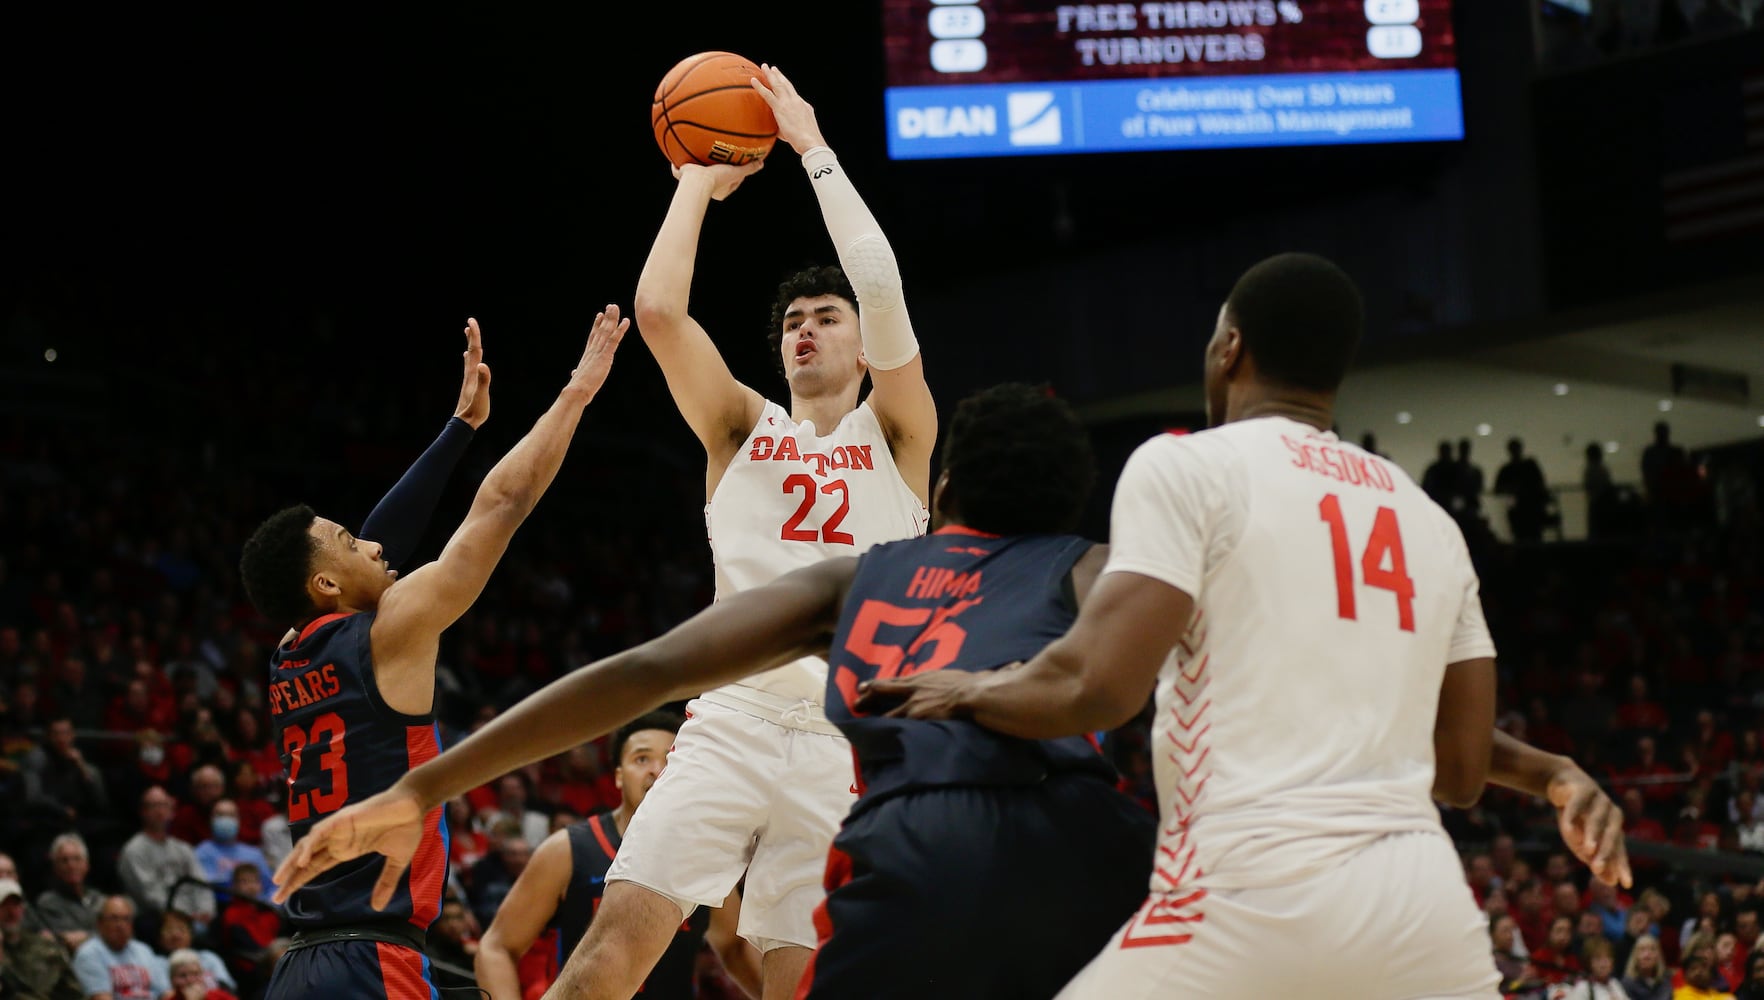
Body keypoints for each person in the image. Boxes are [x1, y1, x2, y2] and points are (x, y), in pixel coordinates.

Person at [866, 253, 1634, 998]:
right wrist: (1550, 772)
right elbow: (1461, 771)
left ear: (1229, 347)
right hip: (1422, 912)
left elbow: (1095, 686)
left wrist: (966, 690)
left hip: (1249, 891)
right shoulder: (1428, 519)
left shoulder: (1190, 466)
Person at [606, 63, 937, 998]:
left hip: (844, 743)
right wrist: (694, 183)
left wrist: (813, 150)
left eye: (827, 319)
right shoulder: (742, 426)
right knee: (608, 959)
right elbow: (661, 313)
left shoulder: (900, 433)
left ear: (861, 343)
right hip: (732, 720)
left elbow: (882, 285)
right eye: (792, 320)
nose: (806, 330)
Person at [238, 311, 626, 1000]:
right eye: (349, 541)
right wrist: (577, 392)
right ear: (326, 584)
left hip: (298, 968)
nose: (374, 544)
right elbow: (503, 501)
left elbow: (375, 553)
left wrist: (460, 429)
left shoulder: (289, 655)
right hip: (372, 965)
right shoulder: (388, 634)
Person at [474, 714, 759, 1000]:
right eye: (642, 759)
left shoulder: (703, 857)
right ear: (619, 776)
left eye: (672, 758)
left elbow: (735, 948)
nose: (657, 770)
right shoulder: (569, 849)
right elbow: (496, 947)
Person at [117, 788, 214, 927]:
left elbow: (201, 884)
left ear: (172, 812)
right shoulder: (134, 850)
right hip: (158, 919)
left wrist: (205, 911)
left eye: (164, 805)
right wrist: (185, 916)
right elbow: (149, 897)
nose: (160, 811)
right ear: (143, 812)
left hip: (194, 918)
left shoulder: (183, 849)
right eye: (153, 806)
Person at [0, 877, 83, 1000]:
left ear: (23, 908)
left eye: (16, 905)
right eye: (4, 905)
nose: (11, 912)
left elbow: (74, 992)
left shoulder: (45, 947)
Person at [71, 897, 168, 1000]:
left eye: (126, 919)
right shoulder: (89, 954)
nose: (121, 925)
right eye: (114, 919)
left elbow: (166, 993)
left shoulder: (143, 950)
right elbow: (101, 997)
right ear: (100, 923)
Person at [37, 835, 105, 952]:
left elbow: (118, 933)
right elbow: (69, 940)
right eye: (64, 860)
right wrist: (100, 935)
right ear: (55, 867)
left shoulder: (99, 899)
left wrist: (88, 936)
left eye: (77, 859)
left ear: (86, 865)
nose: (71, 865)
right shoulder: (48, 902)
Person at [153, 911, 233, 998]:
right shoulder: (157, 963)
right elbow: (164, 995)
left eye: (181, 929)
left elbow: (227, 988)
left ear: (191, 935)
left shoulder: (209, 957)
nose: (176, 935)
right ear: (159, 938)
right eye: (169, 930)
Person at [1494, 437, 1552, 543]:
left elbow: (1497, 489)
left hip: (1526, 508)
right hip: (1528, 507)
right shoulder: (1528, 466)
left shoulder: (1508, 470)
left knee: (1526, 535)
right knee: (1530, 536)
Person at [158, 950, 235, 1000]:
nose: (190, 980)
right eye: (182, 976)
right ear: (172, 980)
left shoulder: (220, 996)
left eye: (195, 974)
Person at [1624, 934, 1672, 1000]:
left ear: (1658, 956)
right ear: (1635, 956)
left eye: (1652, 950)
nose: (1647, 955)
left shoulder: (1665, 980)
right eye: (1642, 950)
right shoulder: (1628, 983)